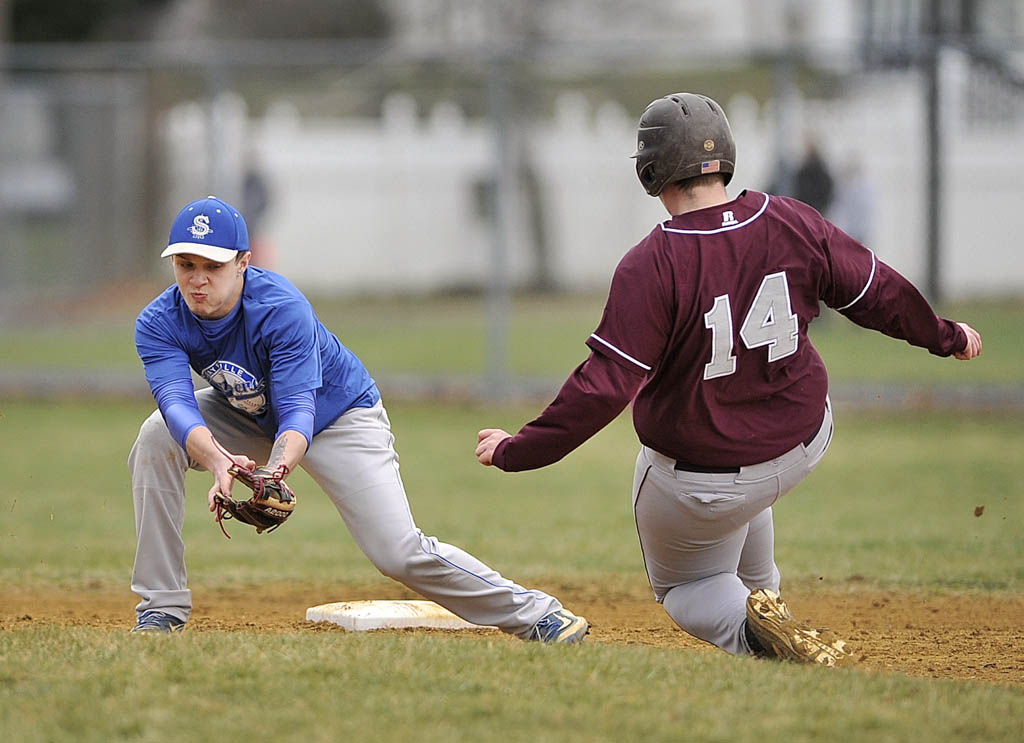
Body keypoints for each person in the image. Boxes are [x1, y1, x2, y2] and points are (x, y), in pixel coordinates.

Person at [474, 93, 982, 665]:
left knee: (686, 587)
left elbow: (604, 386)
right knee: (746, 493)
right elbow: (877, 291)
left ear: (651, 170)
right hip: (803, 443)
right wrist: (947, 335)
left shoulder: (653, 263)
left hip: (705, 481)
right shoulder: (790, 219)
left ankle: (752, 633)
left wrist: (519, 449)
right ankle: (768, 604)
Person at [129, 195, 588, 643]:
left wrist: (276, 470)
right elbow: (176, 405)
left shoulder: (281, 308)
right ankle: (161, 607)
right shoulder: (159, 321)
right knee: (155, 436)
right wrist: (217, 462)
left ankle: (539, 615)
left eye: (213, 266)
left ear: (244, 263)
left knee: (397, 552)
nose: (198, 280)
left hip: (339, 415)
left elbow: (298, 410)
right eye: (186, 265)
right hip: (245, 413)